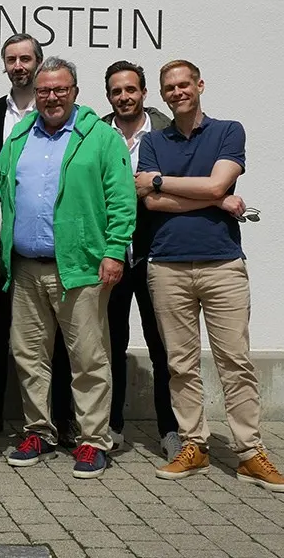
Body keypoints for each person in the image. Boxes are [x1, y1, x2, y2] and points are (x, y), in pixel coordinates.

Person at [137, 60, 284, 492]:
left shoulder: (229, 131)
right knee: (180, 364)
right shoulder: (152, 140)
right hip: (167, 264)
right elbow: (151, 202)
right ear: (163, 94)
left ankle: (249, 452)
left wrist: (163, 183)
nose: (177, 92)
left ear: (199, 85)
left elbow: (211, 185)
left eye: (183, 84)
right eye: (169, 88)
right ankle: (194, 445)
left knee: (235, 361)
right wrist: (215, 198)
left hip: (222, 263)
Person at [0, 57, 135, 480]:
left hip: (80, 267)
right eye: (43, 91)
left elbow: (122, 199)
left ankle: (93, 440)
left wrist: (114, 251)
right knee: (29, 355)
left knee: (89, 358)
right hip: (24, 268)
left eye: (60, 90)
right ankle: (38, 430)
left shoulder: (99, 138)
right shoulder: (20, 134)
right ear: (34, 94)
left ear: (75, 91)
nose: (51, 97)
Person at [101, 60, 181, 460]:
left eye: (130, 90)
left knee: (162, 345)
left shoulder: (168, 132)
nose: (124, 97)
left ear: (144, 93)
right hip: (112, 255)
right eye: (116, 91)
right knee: (110, 344)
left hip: (157, 253)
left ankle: (170, 430)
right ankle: (112, 426)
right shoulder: (97, 133)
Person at [0, 34, 51, 439]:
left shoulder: (57, 112)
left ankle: (55, 418)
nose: (18, 65)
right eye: (11, 59)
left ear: (38, 62)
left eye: (25, 58)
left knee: (47, 336)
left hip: (41, 239)